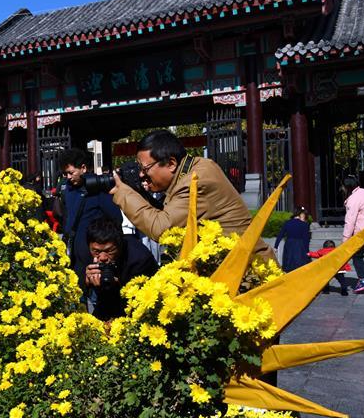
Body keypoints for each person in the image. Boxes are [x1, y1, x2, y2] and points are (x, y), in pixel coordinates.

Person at [109, 129, 274, 259]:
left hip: (250, 275)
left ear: (171, 163)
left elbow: (161, 229)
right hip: (234, 267)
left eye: (145, 169)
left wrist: (123, 192)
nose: (141, 175)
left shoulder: (195, 180)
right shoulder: (197, 168)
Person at [59, 148, 123, 287]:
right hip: (75, 258)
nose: (68, 177)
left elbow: (116, 219)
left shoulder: (96, 187)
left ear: (83, 168)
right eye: (65, 174)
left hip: (97, 258)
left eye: (71, 172)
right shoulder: (68, 189)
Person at [83, 217, 158, 320]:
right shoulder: (90, 252)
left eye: (110, 251)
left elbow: (138, 306)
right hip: (105, 302)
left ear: (120, 244)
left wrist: (117, 286)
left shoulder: (139, 259)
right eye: (97, 252)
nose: (103, 257)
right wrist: (86, 282)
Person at [274, 206, 311, 272]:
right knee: (300, 266)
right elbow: (306, 240)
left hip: (289, 244)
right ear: (301, 214)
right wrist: (307, 251)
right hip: (300, 246)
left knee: (288, 264)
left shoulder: (287, 223)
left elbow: (280, 235)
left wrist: (276, 246)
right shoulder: (304, 225)